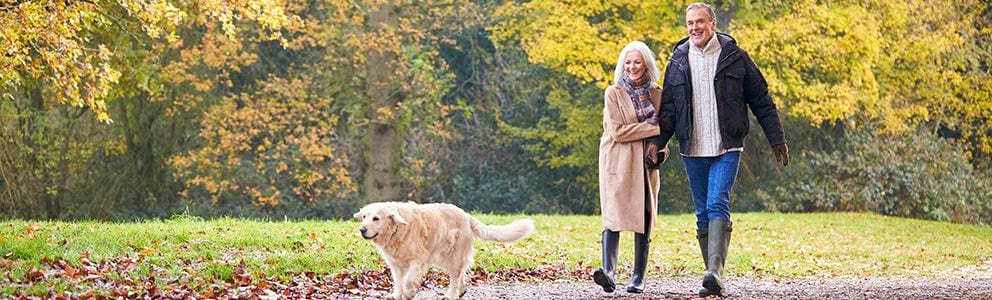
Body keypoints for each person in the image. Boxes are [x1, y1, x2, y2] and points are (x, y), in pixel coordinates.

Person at [651, 2, 789, 297]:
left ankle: (715, 271)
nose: (694, 28)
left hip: (727, 145)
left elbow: (761, 99)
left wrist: (777, 138)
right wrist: (657, 143)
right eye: (690, 23)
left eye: (700, 22)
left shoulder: (735, 57)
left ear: (713, 24)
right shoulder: (677, 61)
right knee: (702, 211)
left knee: (717, 202)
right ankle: (712, 278)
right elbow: (670, 111)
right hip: (692, 148)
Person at [594, 40, 671, 294]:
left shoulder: (659, 94)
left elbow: (665, 137)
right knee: (613, 217)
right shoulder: (613, 93)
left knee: (645, 217)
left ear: (646, 64)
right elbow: (618, 132)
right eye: (627, 62)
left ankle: (638, 277)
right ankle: (608, 273)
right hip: (618, 160)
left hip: (645, 164)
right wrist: (655, 127)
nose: (632, 67)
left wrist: (660, 150)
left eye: (637, 62)